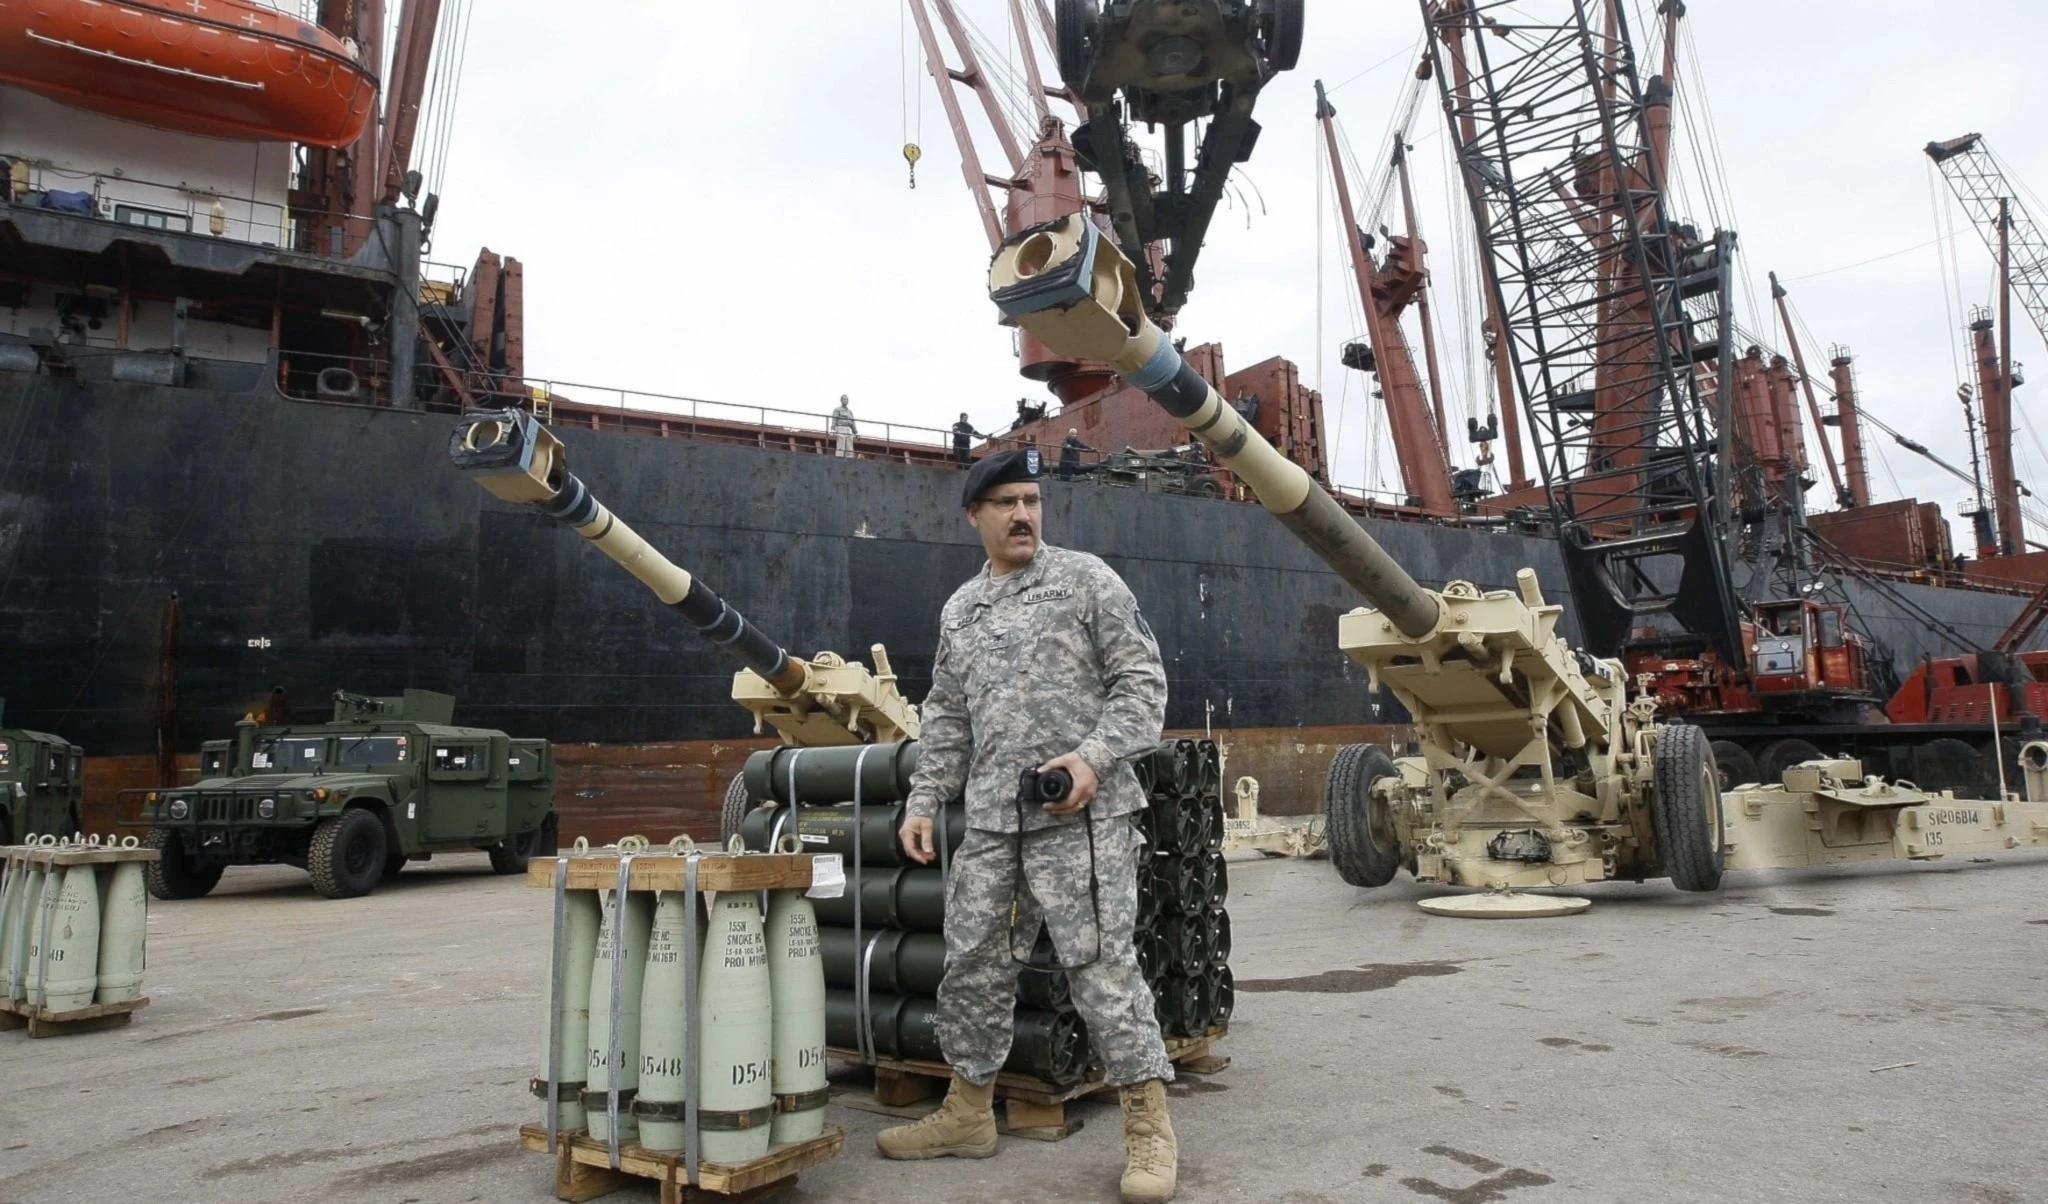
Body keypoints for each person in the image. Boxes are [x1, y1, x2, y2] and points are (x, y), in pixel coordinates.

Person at [875, 449, 1178, 1203]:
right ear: (974, 515)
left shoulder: (1085, 581)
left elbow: (1143, 685)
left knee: (1102, 967)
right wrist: (923, 799)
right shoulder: (961, 610)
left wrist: (1093, 758)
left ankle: (1148, 1129)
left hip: (1082, 818)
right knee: (971, 965)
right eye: (1006, 502)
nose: (1022, 515)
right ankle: (968, 1114)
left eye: (1032, 501)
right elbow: (946, 717)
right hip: (990, 825)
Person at [830, 394, 858, 458]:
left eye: (846, 399)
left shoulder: (850, 412)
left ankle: (849, 459)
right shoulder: (837, 410)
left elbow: (853, 422)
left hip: (848, 430)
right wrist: (832, 429)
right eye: (844, 399)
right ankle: (839, 458)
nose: (845, 401)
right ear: (841, 400)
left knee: (849, 447)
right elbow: (834, 419)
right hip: (840, 428)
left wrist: (856, 432)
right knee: (841, 445)